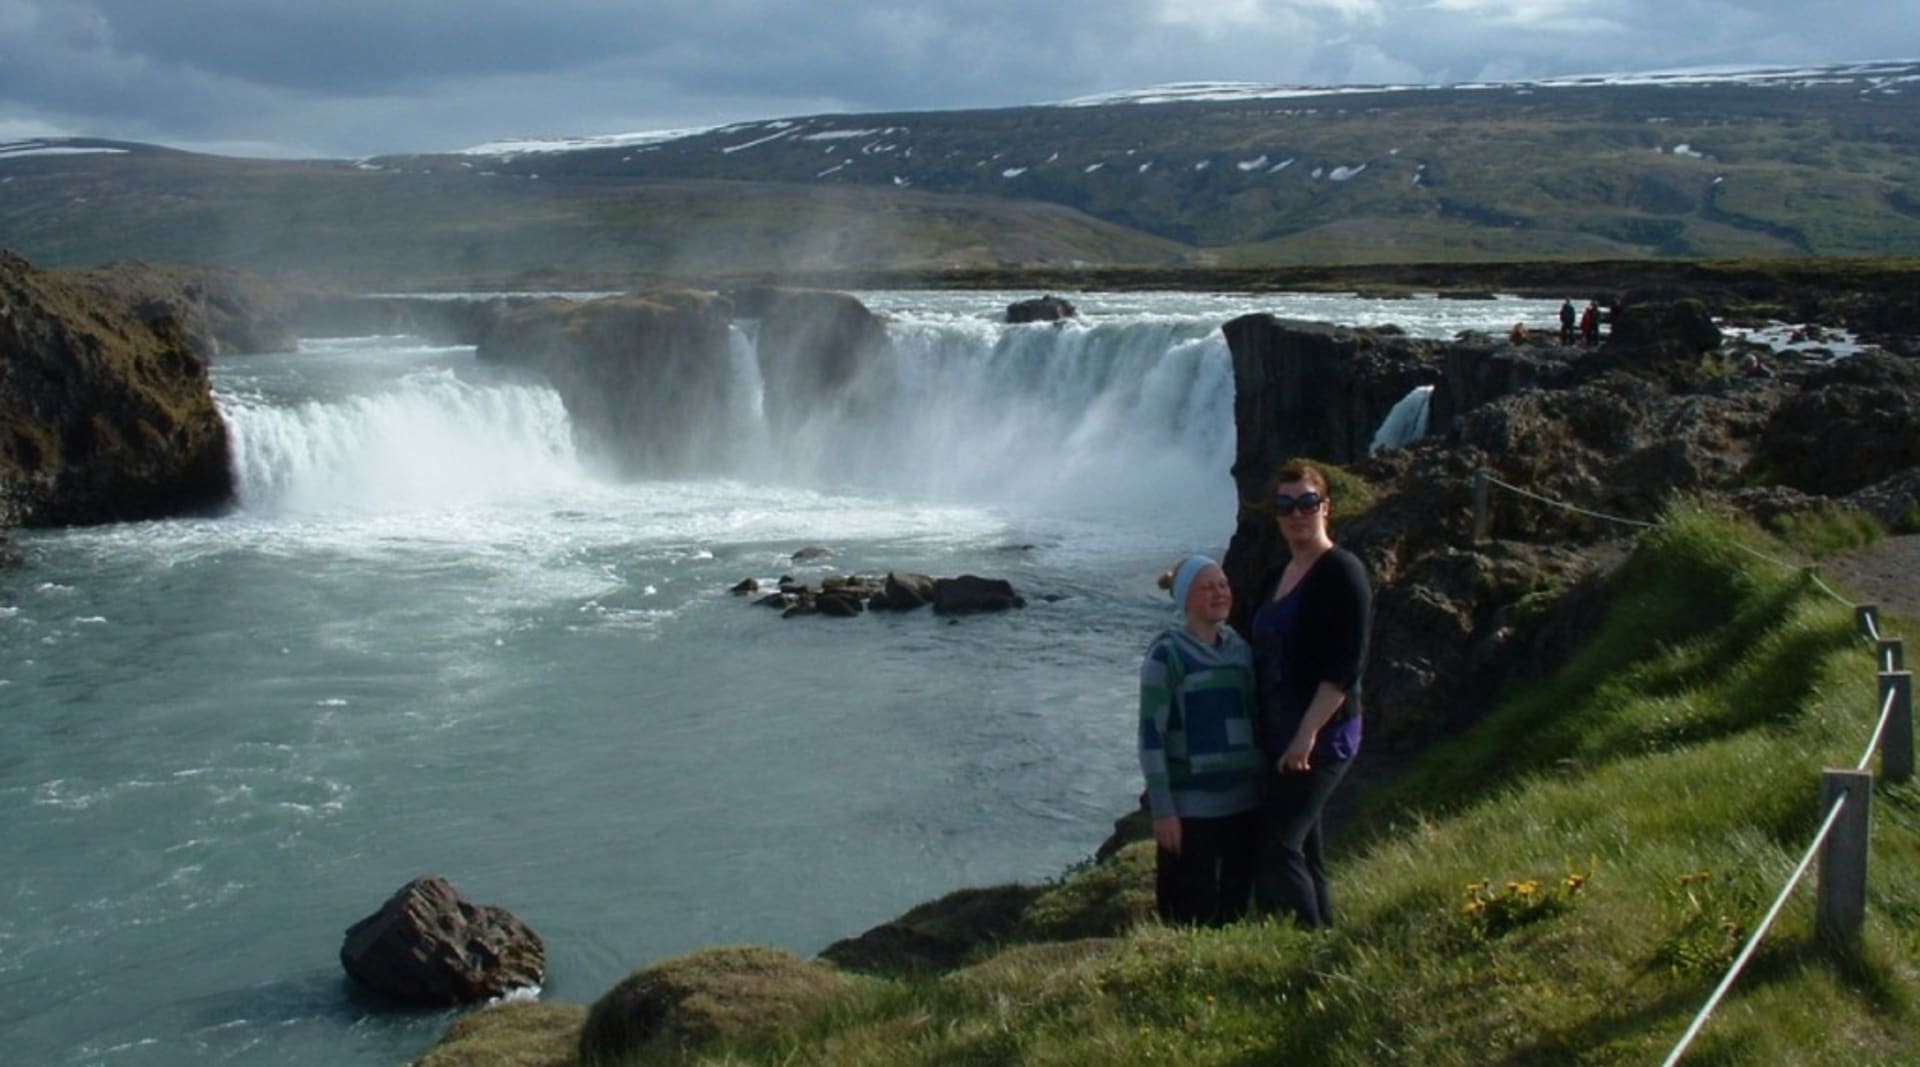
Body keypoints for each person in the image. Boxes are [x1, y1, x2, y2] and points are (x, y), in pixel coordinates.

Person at [1249, 462, 1373, 928]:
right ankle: (1326, 941)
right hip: (1282, 732)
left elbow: (1345, 667)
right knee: (1307, 849)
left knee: (1279, 846)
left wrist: (1306, 736)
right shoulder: (1277, 573)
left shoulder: (1342, 572)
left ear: (1326, 508)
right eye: (1285, 505)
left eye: (1306, 503)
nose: (1296, 514)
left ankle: (1304, 946)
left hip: (1323, 737)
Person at [1139, 554, 1263, 926]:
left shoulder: (1240, 649)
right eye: (1206, 587)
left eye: (1223, 585)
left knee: (1235, 913)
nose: (1219, 593)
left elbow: (1256, 718)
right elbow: (1150, 736)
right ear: (1184, 599)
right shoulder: (1167, 654)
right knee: (1188, 919)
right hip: (1191, 813)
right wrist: (1164, 811)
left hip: (1244, 806)